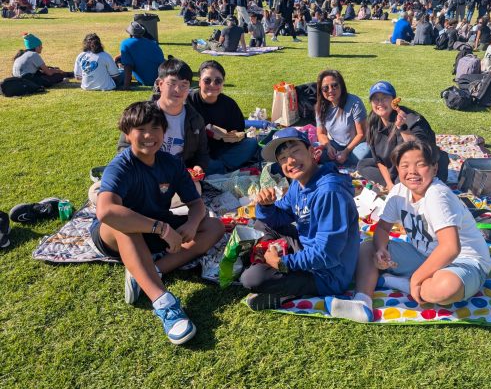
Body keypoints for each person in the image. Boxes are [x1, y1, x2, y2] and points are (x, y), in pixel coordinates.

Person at [91, 101, 224, 344]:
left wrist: (192, 225)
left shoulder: (170, 162)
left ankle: (148, 272)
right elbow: (106, 212)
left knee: (214, 225)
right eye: (141, 129)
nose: (149, 136)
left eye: (156, 128)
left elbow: (196, 204)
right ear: (127, 133)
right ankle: (163, 303)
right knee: (125, 224)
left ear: (164, 132)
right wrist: (161, 228)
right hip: (115, 236)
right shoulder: (120, 166)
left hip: (155, 230)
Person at [327, 140, 491, 322]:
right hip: (422, 255)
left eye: (420, 165)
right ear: (397, 169)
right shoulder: (399, 191)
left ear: (434, 168)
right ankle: (362, 301)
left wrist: (416, 279)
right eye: (405, 165)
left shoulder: (437, 195)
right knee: (367, 248)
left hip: (464, 261)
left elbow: (451, 248)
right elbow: (383, 227)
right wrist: (382, 249)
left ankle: (404, 282)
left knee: (446, 288)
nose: (412, 172)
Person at [239, 128, 360, 310]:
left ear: (313, 152)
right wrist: (265, 205)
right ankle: (274, 268)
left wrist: (282, 263)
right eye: (283, 158)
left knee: (252, 278)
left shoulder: (330, 192)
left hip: (328, 274)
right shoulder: (299, 183)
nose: (291, 161)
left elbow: (326, 254)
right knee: (261, 222)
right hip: (307, 250)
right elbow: (281, 215)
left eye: (295, 151)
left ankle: (287, 292)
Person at [357, 82, 449, 190]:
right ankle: (395, 184)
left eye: (384, 98)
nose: (380, 103)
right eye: (376, 99)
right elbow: (379, 161)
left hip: (419, 166)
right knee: (362, 165)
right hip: (394, 166)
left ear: (394, 100)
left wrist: (402, 128)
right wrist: (389, 184)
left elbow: (421, 151)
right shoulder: (373, 123)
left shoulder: (410, 119)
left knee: (405, 186)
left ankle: (401, 184)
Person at [187, 60, 258, 174]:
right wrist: (204, 131)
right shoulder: (187, 101)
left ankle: (217, 168)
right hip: (196, 152)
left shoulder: (229, 104)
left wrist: (232, 136)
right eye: (207, 80)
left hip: (221, 150)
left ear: (223, 83)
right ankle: (221, 168)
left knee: (251, 144)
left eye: (218, 81)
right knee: (197, 162)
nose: (212, 85)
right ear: (199, 81)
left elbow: (239, 133)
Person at [315, 69, 370, 166]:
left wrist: (346, 151)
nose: (330, 90)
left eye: (334, 85)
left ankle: (340, 160)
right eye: (325, 88)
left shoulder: (355, 102)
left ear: (341, 86)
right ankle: (342, 160)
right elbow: (321, 133)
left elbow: (362, 134)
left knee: (364, 152)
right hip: (335, 145)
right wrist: (328, 147)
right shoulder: (320, 107)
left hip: (356, 145)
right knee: (315, 151)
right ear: (321, 90)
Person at [119, 21, 165, 89]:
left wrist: (126, 85)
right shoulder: (153, 43)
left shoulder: (125, 43)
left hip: (146, 80)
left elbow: (128, 66)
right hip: (160, 78)